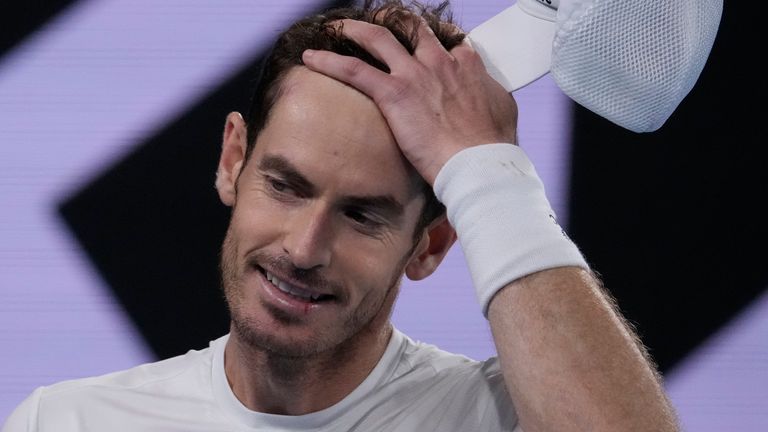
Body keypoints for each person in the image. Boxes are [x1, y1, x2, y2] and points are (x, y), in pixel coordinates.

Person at [2, 1, 680, 431]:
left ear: (432, 245)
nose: (303, 248)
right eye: (287, 186)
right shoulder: (69, 422)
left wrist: (484, 170)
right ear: (232, 157)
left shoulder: (496, 420)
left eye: (362, 215)